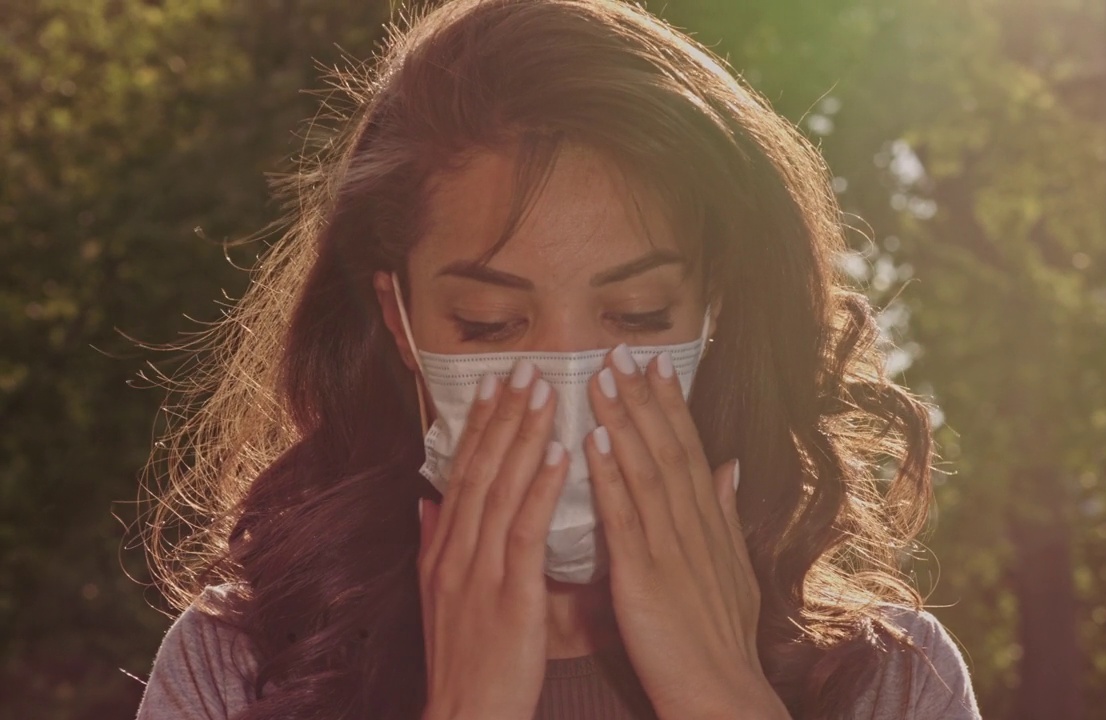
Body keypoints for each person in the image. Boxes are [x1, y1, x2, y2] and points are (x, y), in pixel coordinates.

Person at [135, 0, 981, 718]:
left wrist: (724, 694)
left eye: (638, 314)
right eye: (492, 323)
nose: (570, 375)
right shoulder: (233, 674)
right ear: (401, 320)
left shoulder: (893, 680)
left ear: (712, 309)